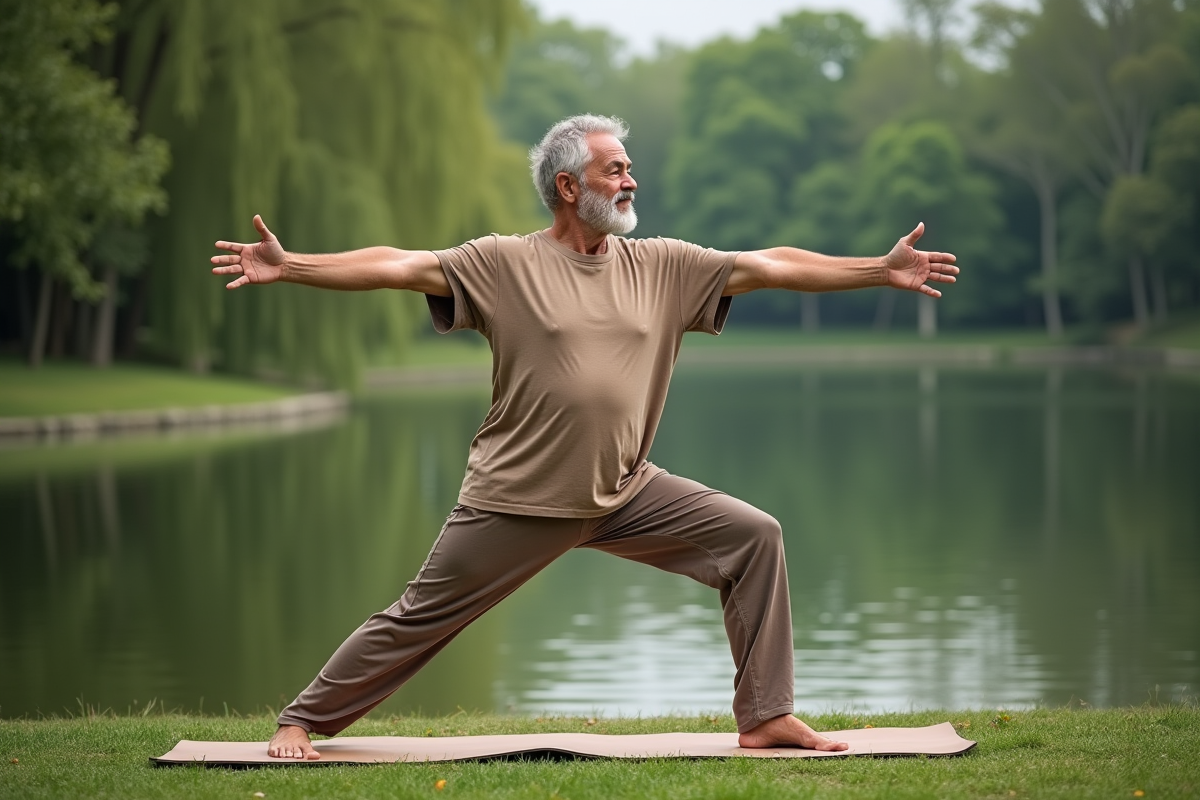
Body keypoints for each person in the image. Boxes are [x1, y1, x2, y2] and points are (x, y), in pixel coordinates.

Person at [210, 115, 959, 759]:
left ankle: (765, 715)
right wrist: (294, 265)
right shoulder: (503, 262)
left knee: (754, 537)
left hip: (627, 490)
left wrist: (875, 269)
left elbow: (769, 265)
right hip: (519, 498)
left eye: (631, 169)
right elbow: (400, 266)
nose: (631, 181)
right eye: (615, 170)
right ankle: (305, 718)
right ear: (569, 186)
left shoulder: (662, 265)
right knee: (416, 619)